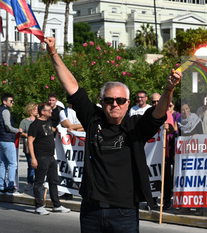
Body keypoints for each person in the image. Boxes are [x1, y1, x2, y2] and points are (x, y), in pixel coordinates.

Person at [45, 36, 181, 232]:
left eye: (119, 100)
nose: (114, 104)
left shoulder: (136, 125)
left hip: (124, 213)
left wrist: (169, 89)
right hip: (91, 211)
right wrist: (53, 53)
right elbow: (73, 87)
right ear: (102, 101)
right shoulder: (93, 119)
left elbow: (158, 113)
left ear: (127, 102)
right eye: (109, 100)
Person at [27, 102, 71, 215]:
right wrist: (33, 158)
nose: (51, 111)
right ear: (43, 112)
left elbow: (51, 130)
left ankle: (56, 205)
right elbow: (30, 142)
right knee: (39, 182)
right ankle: (38, 206)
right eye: (49, 110)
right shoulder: (35, 125)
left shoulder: (48, 121)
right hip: (41, 157)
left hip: (51, 157)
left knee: (54, 181)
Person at [175, 98, 203, 215]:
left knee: (195, 180)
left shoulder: (196, 120)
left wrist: (196, 136)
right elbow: (177, 139)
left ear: (190, 108)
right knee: (184, 180)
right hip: (183, 157)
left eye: (187, 109)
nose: (185, 112)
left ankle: (198, 207)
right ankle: (185, 206)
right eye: (182, 110)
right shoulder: (179, 123)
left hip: (196, 156)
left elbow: (202, 137)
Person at [0, 93, 22, 195]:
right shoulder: (5, 111)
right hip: (7, 140)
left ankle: (2, 187)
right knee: (13, 164)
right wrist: (18, 130)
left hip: (0, 139)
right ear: (4, 102)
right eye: (11, 101)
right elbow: (8, 127)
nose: (13, 102)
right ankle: (10, 188)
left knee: (3, 164)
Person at [149, 93, 175, 210]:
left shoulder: (167, 113)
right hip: (151, 152)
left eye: (157, 101)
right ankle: (152, 200)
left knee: (165, 177)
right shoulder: (148, 114)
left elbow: (172, 129)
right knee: (152, 176)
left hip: (163, 151)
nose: (155, 104)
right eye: (153, 102)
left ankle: (166, 200)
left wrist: (167, 128)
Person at [19, 103, 38, 192]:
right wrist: (28, 135)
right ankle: (30, 182)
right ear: (30, 110)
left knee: (40, 165)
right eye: (35, 109)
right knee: (31, 164)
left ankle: (38, 182)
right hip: (29, 145)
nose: (37, 110)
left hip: (39, 145)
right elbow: (21, 132)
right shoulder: (25, 121)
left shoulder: (39, 120)